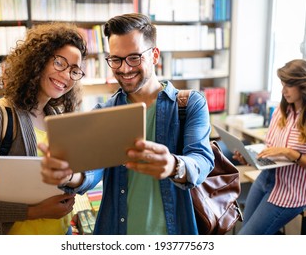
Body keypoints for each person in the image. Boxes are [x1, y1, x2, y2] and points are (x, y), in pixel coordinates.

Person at [39, 13, 215, 235]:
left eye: (134, 57)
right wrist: (70, 176)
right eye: (116, 59)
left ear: (155, 56)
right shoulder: (104, 113)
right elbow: (93, 169)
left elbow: (202, 159)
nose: (124, 68)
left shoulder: (189, 104)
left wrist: (173, 165)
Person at [0, 22, 88, 235]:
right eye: (59, 63)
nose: (66, 76)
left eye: (74, 70)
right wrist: (34, 211)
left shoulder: (57, 117)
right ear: (38, 61)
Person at [235, 59, 306, 235]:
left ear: (304, 85)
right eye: (282, 84)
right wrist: (250, 159)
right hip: (265, 180)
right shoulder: (281, 111)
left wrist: (290, 153)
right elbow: (272, 150)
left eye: (289, 85)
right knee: (245, 232)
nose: (283, 90)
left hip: (293, 191)